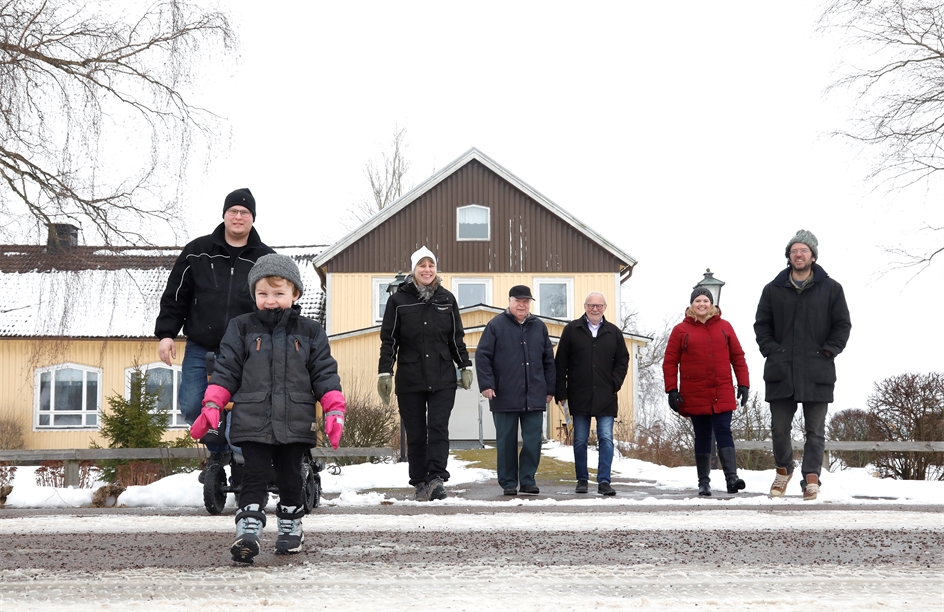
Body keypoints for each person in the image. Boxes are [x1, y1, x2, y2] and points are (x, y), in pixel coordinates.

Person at [190, 254, 345, 563]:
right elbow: (226, 369)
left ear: (295, 294)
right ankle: (248, 531)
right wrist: (212, 403)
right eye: (263, 294)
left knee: (290, 477)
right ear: (254, 295)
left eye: (279, 293)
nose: (270, 300)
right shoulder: (241, 328)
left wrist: (334, 408)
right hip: (252, 419)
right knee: (252, 475)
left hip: (295, 420)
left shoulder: (311, 332)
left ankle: (291, 527)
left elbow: (324, 373)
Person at [155, 188, 274, 478]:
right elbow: (176, 295)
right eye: (233, 211)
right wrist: (167, 333)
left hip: (248, 350)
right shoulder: (197, 251)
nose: (238, 217)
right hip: (202, 346)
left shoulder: (265, 258)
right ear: (224, 214)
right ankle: (219, 453)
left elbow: (276, 300)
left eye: (244, 212)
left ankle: (241, 457)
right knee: (193, 405)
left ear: (253, 219)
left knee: (243, 408)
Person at [754, 229, 851, 501]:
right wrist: (772, 351)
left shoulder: (832, 289)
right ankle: (783, 471)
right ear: (789, 256)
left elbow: (842, 325)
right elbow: (762, 326)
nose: (799, 254)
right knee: (779, 429)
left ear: (813, 255)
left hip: (817, 370)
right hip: (781, 370)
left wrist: (829, 351)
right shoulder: (772, 289)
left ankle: (811, 478)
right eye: (794, 250)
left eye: (804, 250)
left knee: (815, 431)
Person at [377, 246, 473, 501]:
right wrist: (384, 372)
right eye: (422, 265)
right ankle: (420, 481)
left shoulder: (447, 300)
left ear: (436, 269)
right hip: (410, 376)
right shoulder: (398, 301)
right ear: (414, 269)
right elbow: (389, 340)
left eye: (431, 265)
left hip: (442, 375)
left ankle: (436, 478)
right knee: (416, 431)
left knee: (438, 427)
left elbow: (456, 338)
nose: (427, 270)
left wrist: (464, 366)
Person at [663, 287, 750, 497]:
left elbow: (738, 357)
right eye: (697, 301)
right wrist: (672, 390)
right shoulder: (680, 330)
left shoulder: (725, 326)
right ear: (691, 304)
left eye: (705, 301)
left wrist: (744, 384)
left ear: (711, 304)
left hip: (722, 389)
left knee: (724, 431)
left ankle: (731, 478)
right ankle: (704, 482)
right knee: (702, 435)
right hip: (695, 392)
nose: (701, 304)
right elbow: (670, 362)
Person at [476, 285, 555, 496]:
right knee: (505, 442)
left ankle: (528, 480)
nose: (522, 305)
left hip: (534, 395)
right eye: (518, 301)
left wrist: (549, 388)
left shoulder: (539, 327)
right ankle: (509, 482)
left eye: (526, 301)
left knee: (533, 441)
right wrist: (486, 384)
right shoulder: (495, 326)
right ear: (509, 301)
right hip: (504, 394)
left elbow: (548, 360)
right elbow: (483, 356)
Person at [554, 292, 629, 496]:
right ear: (585, 306)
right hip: (578, 394)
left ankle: (604, 481)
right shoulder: (572, 330)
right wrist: (560, 391)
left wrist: (615, 382)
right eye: (591, 305)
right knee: (579, 440)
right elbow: (560, 363)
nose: (594, 309)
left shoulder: (613, 332)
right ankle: (582, 479)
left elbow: (623, 360)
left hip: (606, 395)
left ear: (605, 307)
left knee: (606, 438)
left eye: (598, 305)